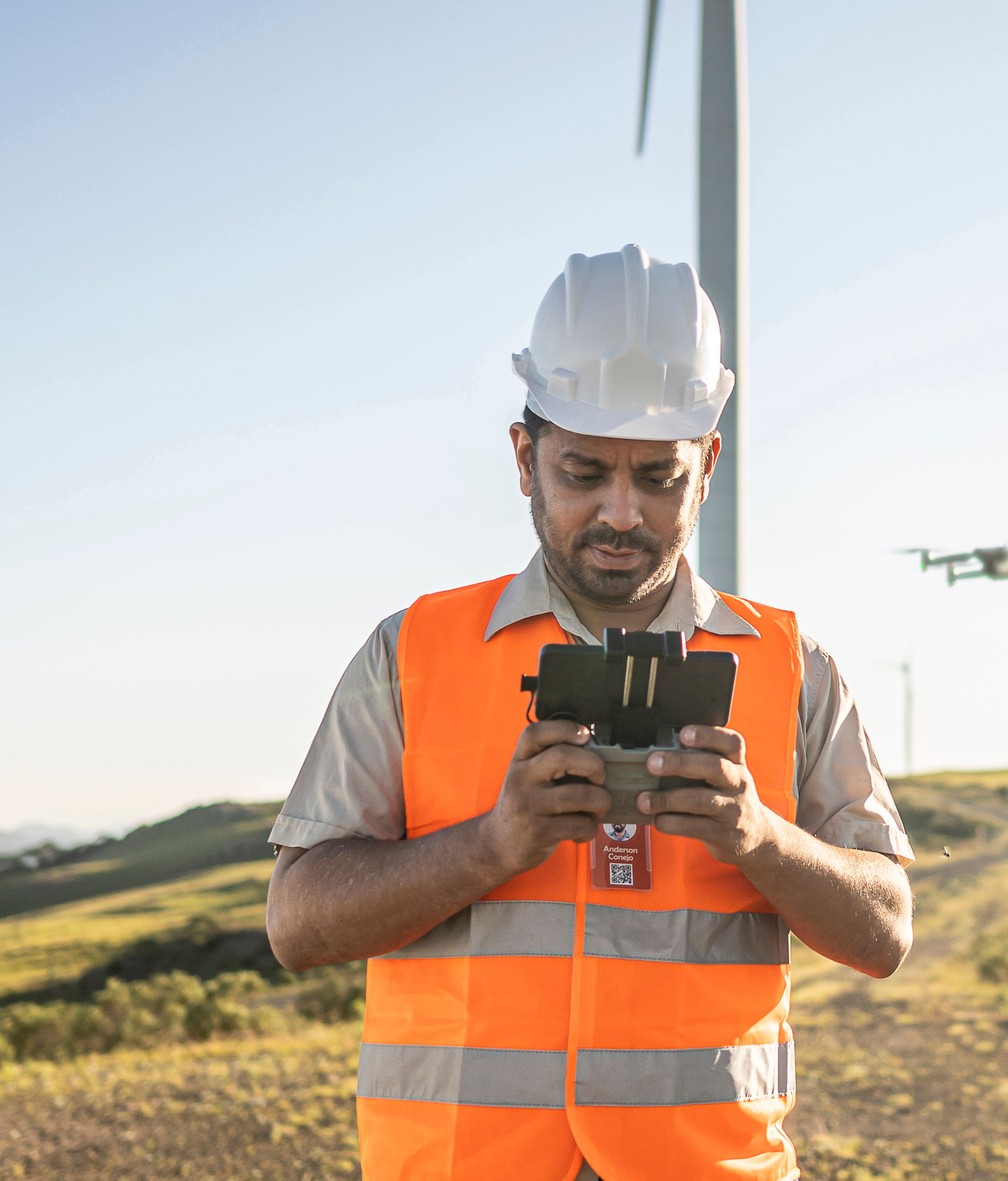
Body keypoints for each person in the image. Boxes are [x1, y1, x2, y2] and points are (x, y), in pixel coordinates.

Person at [265, 245, 915, 1181]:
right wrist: (488, 845)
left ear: (708, 465)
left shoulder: (796, 667)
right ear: (526, 458)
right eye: (584, 472)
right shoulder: (410, 653)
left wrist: (761, 838)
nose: (621, 512)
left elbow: (886, 931)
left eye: (658, 476)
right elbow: (296, 923)